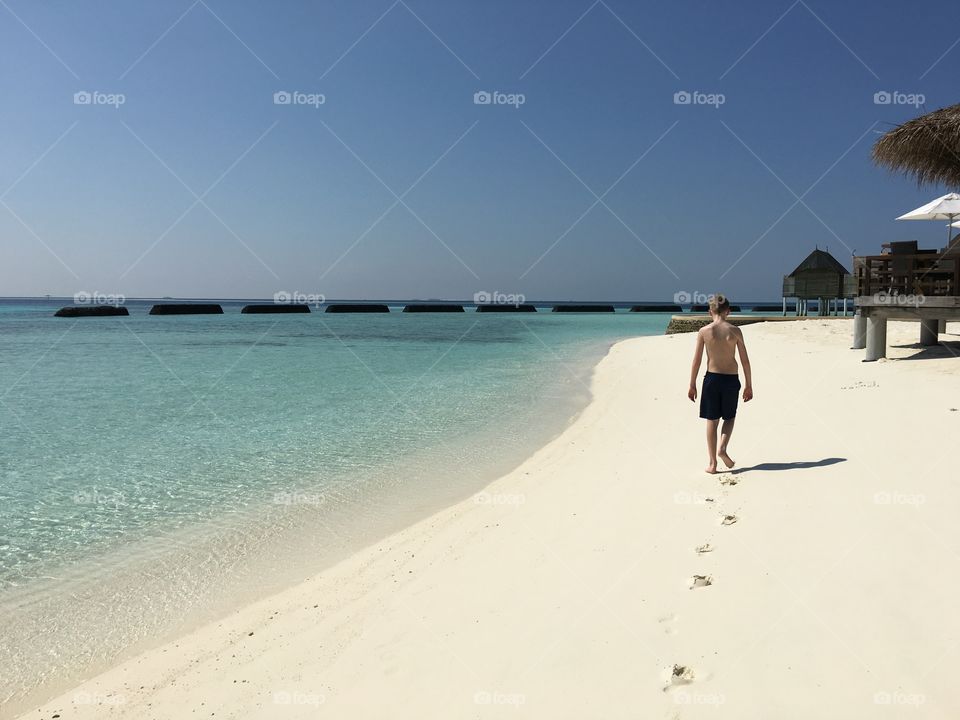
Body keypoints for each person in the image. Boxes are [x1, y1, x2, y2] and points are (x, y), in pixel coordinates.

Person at [687, 294, 753, 474]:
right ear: (728, 312)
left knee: (712, 420)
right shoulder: (735, 331)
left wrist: (692, 384)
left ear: (710, 312)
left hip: (712, 380)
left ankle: (712, 463)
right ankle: (723, 447)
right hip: (731, 379)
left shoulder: (704, 331)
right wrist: (749, 385)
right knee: (729, 417)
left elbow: (697, 361)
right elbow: (745, 361)